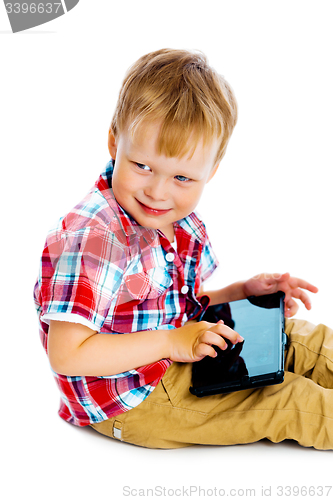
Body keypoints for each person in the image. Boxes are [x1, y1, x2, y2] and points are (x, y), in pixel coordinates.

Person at [33, 48, 333, 450]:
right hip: (132, 398)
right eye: (142, 166)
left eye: (181, 177)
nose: (157, 191)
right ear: (113, 142)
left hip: (173, 350)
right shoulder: (95, 236)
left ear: (211, 171)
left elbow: (178, 305)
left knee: (303, 341)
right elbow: (68, 355)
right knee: (292, 402)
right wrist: (172, 342)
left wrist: (242, 292)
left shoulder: (178, 220)